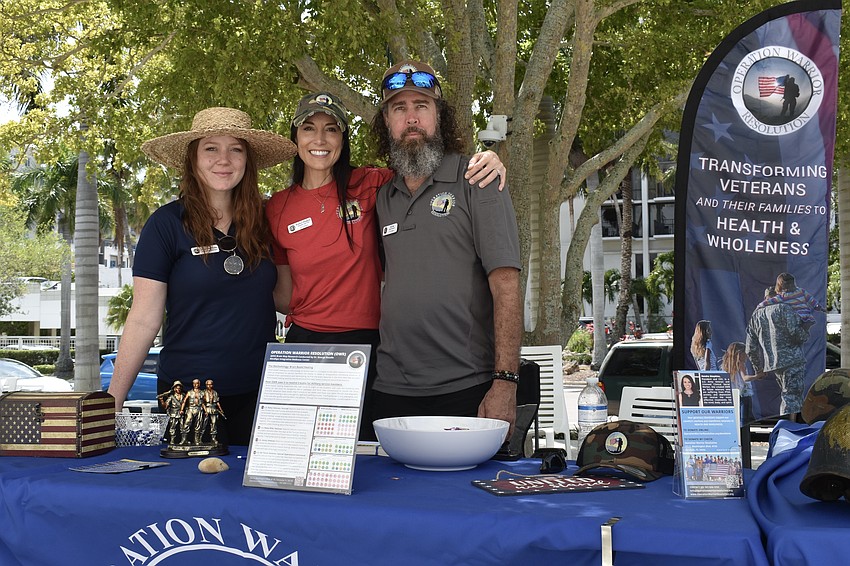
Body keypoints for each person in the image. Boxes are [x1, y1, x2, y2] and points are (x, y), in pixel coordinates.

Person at [265, 91, 505, 441]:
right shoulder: (276, 209)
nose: (320, 140)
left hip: (368, 346)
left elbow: (423, 161)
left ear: (342, 140)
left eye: (331, 129)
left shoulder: (371, 183)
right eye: (308, 129)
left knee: (362, 451)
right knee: (304, 447)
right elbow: (284, 294)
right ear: (295, 138)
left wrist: (489, 160)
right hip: (306, 345)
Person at [106, 107, 297, 445]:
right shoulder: (165, 225)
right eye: (211, 148)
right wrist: (112, 402)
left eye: (235, 149)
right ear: (192, 159)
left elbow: (288, 297)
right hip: (190, 396)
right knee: (194, 493)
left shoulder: (268, 222)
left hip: (264, 393)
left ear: (247, 161)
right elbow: (143, 320)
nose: (224, 159)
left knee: (260, 496)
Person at [369, 60, 523, 434]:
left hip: (465, 386)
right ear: (386, 121)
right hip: (389, 389)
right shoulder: (380, 194)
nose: (411, 118)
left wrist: (505, 381)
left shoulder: (477, 179)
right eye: (399, 108)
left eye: (421, 106)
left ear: (440, 115)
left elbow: (506, 287)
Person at [746, 287, 809, 415]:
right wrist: (806, 331)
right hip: (792, 360)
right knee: (792, 398)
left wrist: (758, 369)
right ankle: (788, 430)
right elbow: (796, 333)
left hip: (774, 364)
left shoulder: (756, 315)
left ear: (766, 298)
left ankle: (789, 427)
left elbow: (750, 348)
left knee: (788, 395)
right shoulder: (784, 309)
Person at [759, 272, 825, 329]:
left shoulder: (783, 296)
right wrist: (819, 307)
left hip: (797, 318)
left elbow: (769, 302)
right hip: (807, 317)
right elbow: (811, 300)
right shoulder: (801, 291)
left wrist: (760, 306)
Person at [720, 342, 756, 424]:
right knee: (745, 420)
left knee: (737, 419)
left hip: (734, 396)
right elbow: (745, 378)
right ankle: (744, 435)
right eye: (745, 353)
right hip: (744, 395)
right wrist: (757, 376)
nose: (746, 356)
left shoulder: (726, 366)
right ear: (739, 354)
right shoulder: (741, 364)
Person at [159, 380, 185, 445]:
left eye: (179, 388)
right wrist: (162, 400)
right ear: (174, 389)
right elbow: (165, 406)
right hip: (173, 414)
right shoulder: (171, 397)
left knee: (183, 428)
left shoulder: (183, 395)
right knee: (173, 428)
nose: (178, 389)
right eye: (177, 388)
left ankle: (184, 440)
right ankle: (172, 440)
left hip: (181, 414)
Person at [203, 379, 225, 445]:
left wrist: (221, 410)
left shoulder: (215, 392)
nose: (209, 386)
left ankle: (213, 438)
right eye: (208, 384)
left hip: (214, 409)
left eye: (210, 384)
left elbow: (217, 402)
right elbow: (202, 403)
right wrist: (205, 410)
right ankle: (199, 438)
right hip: (206, 408)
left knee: (214, 423)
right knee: (203, 424)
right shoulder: (203, 392)